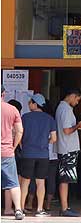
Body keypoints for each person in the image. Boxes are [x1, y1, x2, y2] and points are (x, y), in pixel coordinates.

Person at [19, 94, 56, 218]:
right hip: (43, 154)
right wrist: (45, 143)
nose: (29, 104)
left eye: (30, 102)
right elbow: (54, 138)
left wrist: (22, 145)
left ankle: (21, 208)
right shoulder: (49, 119)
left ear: (35, 104)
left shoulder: (25, 117)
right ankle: (40, 209)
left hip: (28, 153)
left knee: (25, 182)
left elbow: (19, 134)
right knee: (41, 182)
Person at [56, 89, 81, 217]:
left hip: (65, 148)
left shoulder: (61, 108)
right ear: (72, 96)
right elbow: (67, 131)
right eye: (77, 99)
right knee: (65, 179)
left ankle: (65, 206)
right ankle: (64, 208)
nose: (77, 102)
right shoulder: (66, 110)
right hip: (68, 149)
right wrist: (77, 126)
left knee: (66, 178)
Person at [2, 86, 25, 221]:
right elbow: (19, 131)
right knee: (13, 182)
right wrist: (14, 146)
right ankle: (18, 210)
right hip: (6, 152)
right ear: (3, 93)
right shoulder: (12, 110)